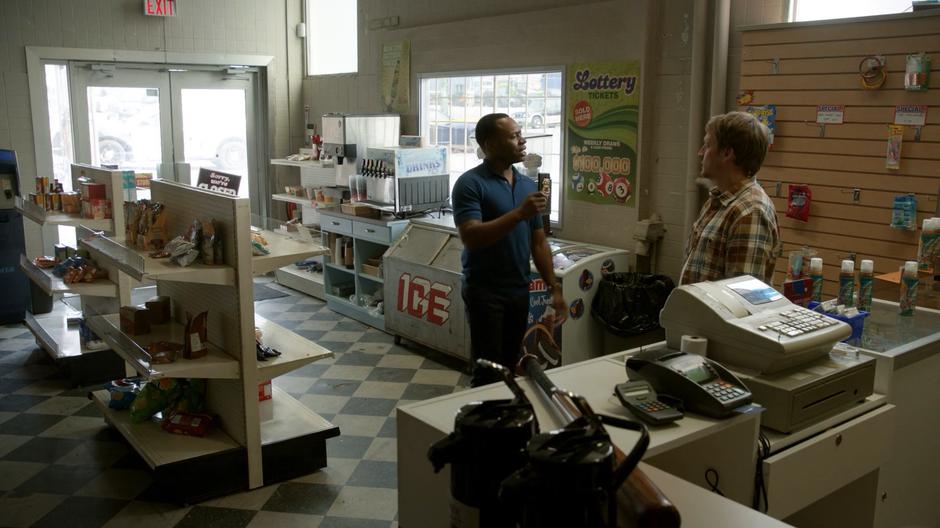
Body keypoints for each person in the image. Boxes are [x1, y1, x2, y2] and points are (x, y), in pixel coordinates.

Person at [452, 113, 567, 386]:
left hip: (518, 289)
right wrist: (518, 213)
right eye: (514, 136)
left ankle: (506, 417)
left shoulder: (527, 185)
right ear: (490, 144)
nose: (522, 140)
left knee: (510, 362)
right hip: (485, 291)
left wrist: (554, 287)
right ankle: (484, 422)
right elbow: (471, 236)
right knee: (488, 369)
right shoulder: (470, 184)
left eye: (520, 134)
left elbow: (538, 242)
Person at [680, 111, 781, 286]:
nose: (700, 153)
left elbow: (741, 300)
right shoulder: (718, 202)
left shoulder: (750, 212)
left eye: (707, 145)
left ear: (727, 153)